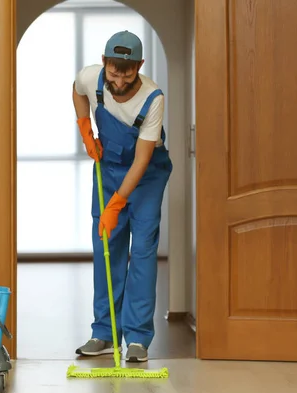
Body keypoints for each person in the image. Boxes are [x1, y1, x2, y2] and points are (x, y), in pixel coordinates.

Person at [72, 30, 172, 362]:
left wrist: (116, 203)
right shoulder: (91, 77)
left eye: (127, 71)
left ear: (139, 66)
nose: (118, 79)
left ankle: (139, 338)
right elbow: (77, 91)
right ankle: (104, 332)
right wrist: (85, 128)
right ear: (104, 63)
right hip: (107, 168)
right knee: (106, 248)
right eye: (114, 70)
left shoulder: (152, 97)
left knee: (142, 251)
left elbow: (142, 160)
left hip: (146, 176)